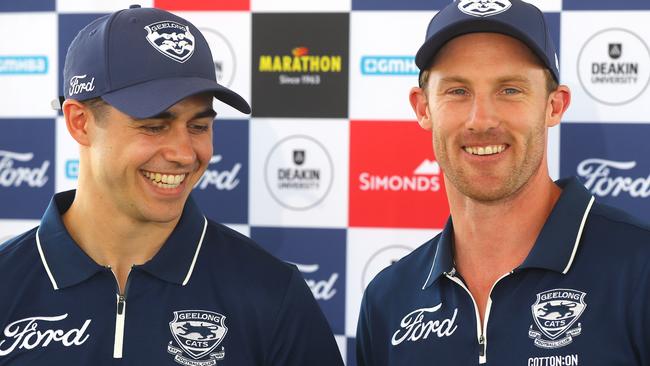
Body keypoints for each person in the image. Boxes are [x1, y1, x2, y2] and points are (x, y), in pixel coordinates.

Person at [0, 6, 343, 366]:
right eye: (153, 126)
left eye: (198, 126)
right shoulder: (8, 285)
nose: (183, 154)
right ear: (80, 122)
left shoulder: (272, 293)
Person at [356, 0, 650, 365]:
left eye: (510, 90)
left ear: (554, 106)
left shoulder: (640, 270)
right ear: (423, 108)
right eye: (457, 91)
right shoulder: (388, 300)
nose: (481, 120)